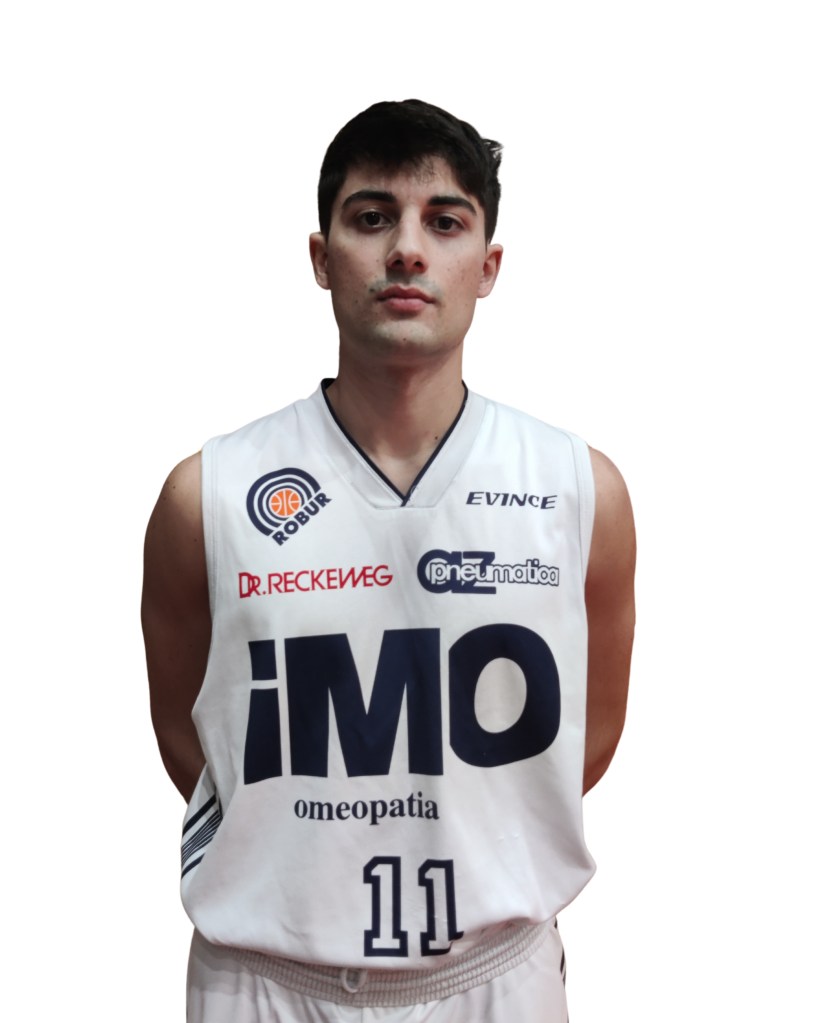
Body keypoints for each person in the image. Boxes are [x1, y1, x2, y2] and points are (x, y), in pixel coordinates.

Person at [142, 98, 636, 1023]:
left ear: (487, 266)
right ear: (321, 257)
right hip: (264, 979)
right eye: (372, 218)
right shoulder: (205, 495)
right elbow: (192, 735)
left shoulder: (577, 490)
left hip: (494, 974)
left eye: (443, 222)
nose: (406, 249)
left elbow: (586, 739)